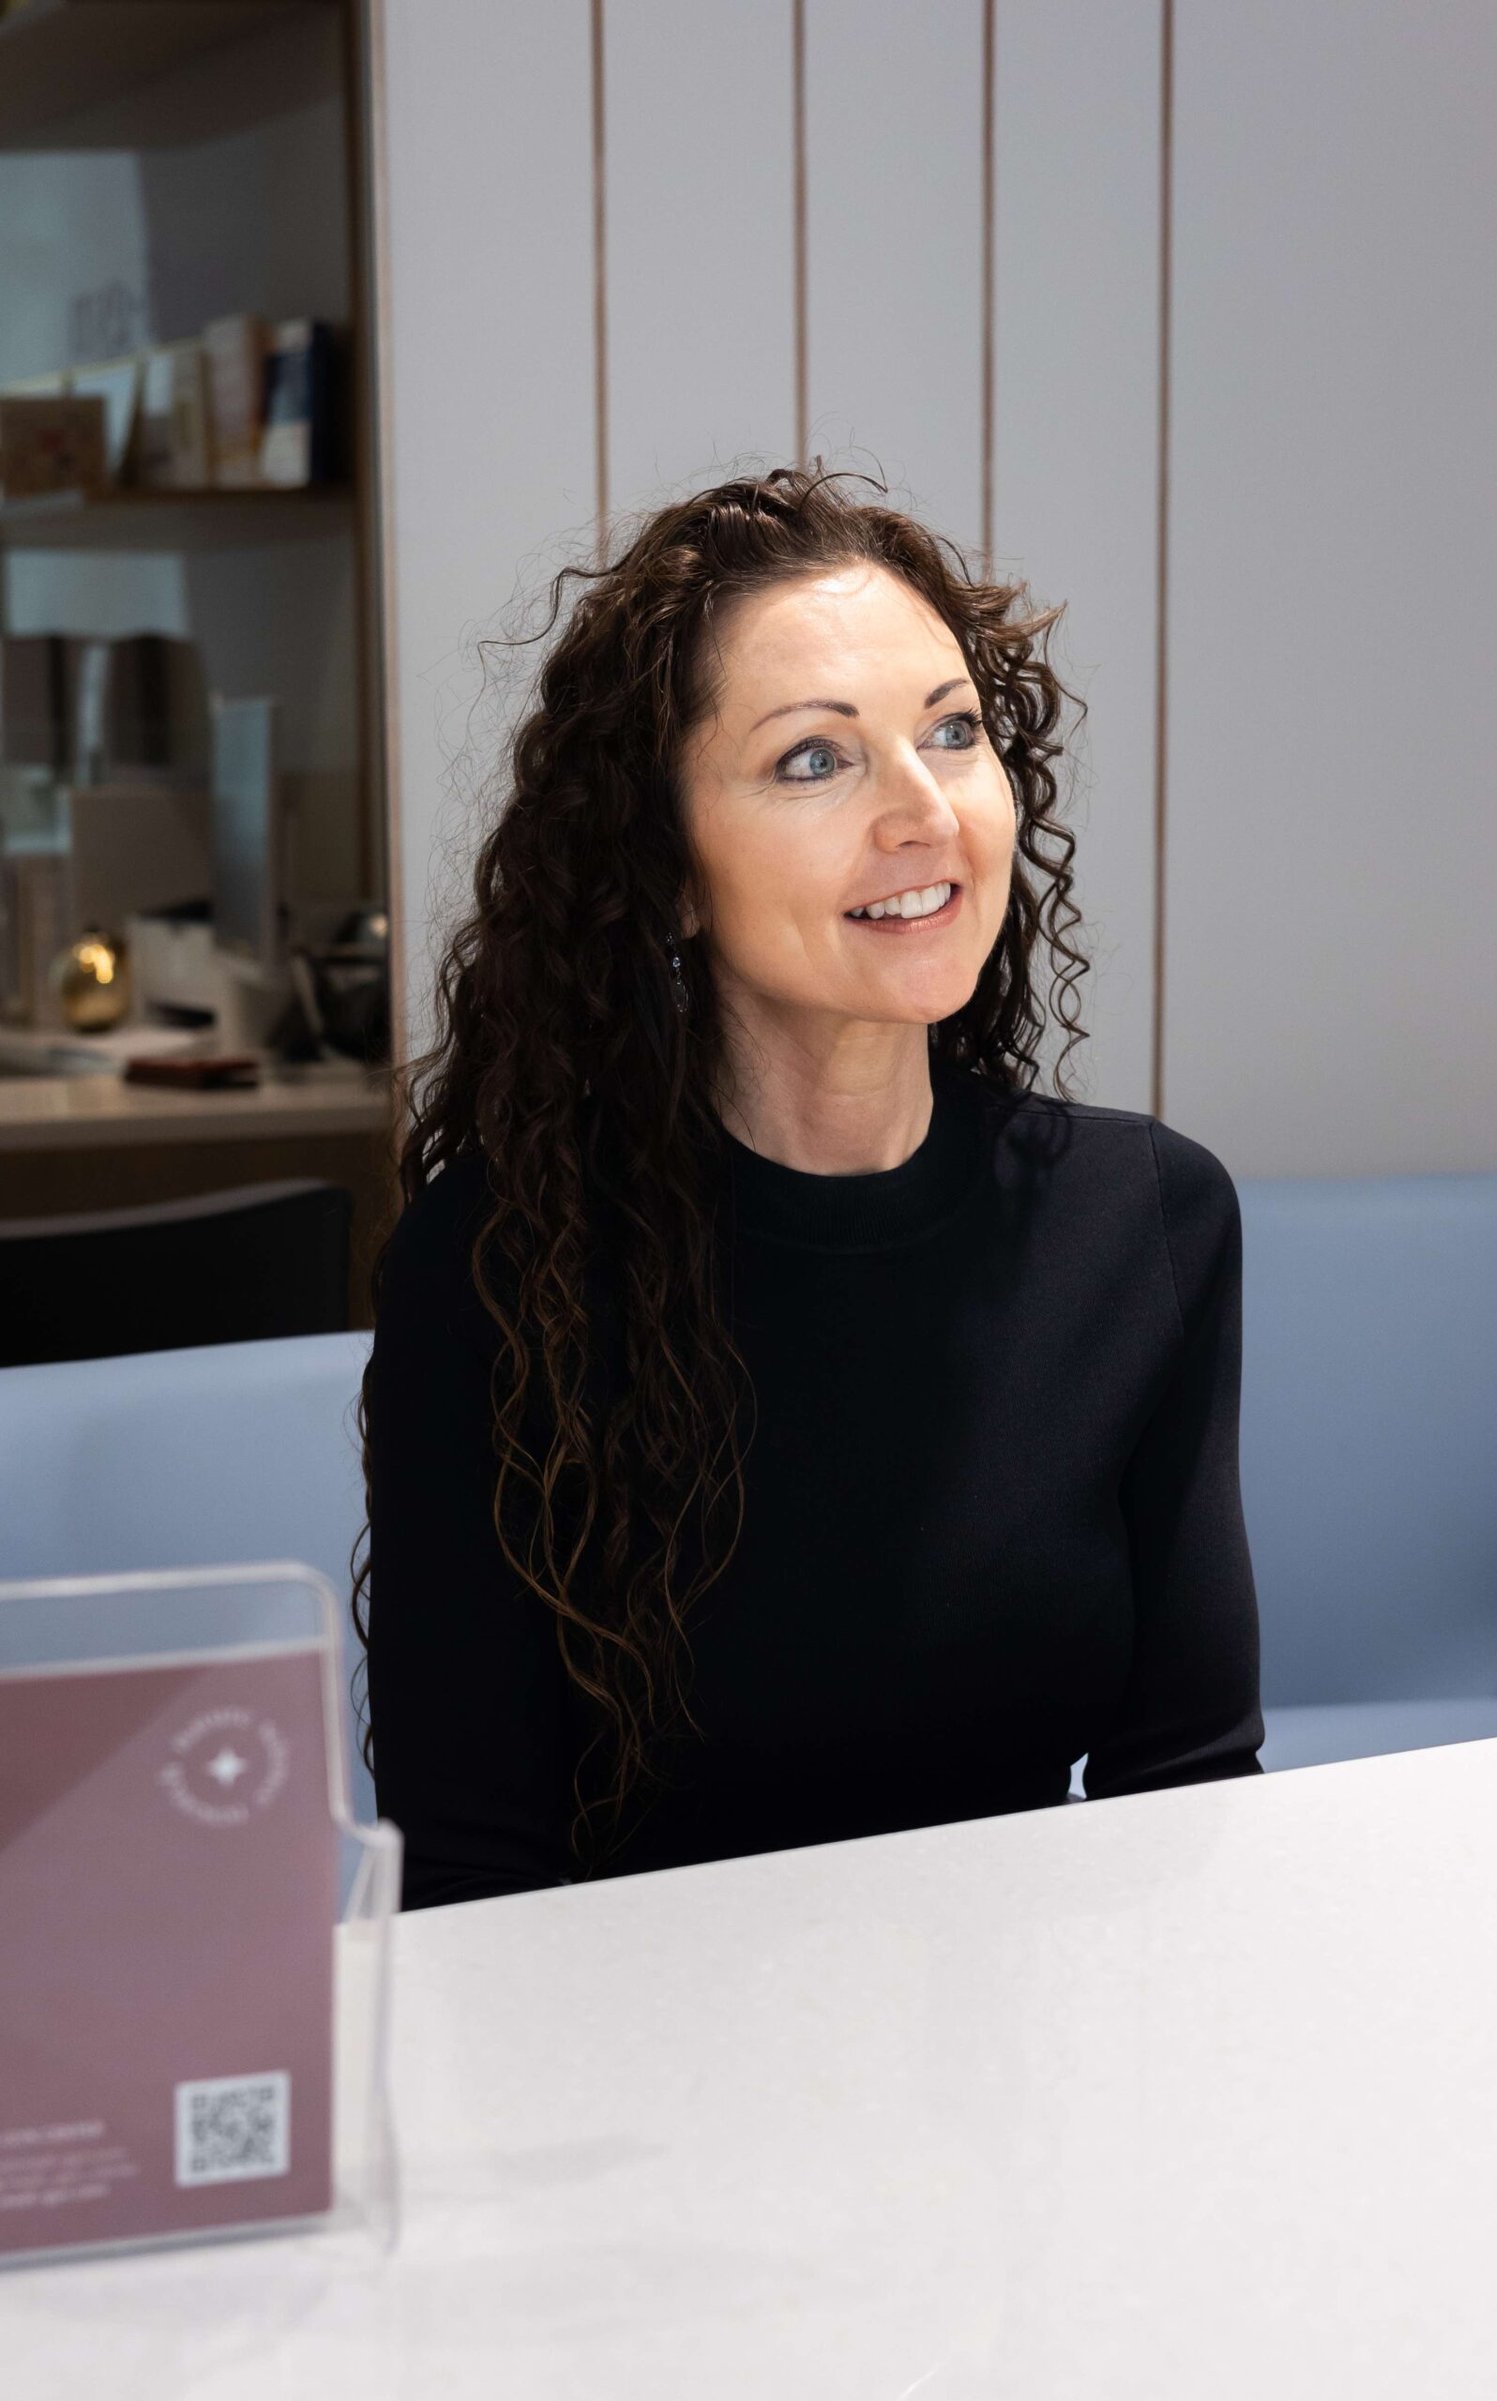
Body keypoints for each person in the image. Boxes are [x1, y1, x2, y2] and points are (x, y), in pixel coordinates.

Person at [353, 463, 1264, 1912]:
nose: (925, 811)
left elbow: (1189, 1792)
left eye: (952, 732)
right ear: (668, 869)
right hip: (632, 2036)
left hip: (1036, 2032)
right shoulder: (499, 1262)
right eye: (813, 759)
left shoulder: (1146, 1219)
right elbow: (471, 1875)